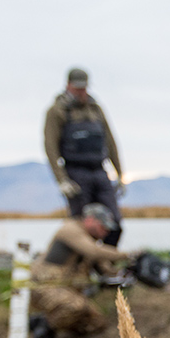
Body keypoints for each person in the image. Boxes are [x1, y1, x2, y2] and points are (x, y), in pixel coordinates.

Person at [29, 203, 133, 338]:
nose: (105, 233)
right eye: (103, 227)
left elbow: (107, 270)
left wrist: (126, 273)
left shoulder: (91, 241)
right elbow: (94, 252)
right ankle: (44, 330)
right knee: (75, 306)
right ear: (90, 220)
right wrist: (128, 255)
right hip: (45, 286)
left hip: (67, 289)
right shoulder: (70, 230)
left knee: (97, 322)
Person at [44, 67, 126, 246]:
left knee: (114, 224)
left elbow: (110, 141)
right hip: (76, 173)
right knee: (82, 225)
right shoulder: (57, 111)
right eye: (77, 87)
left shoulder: (96, 109)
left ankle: (107, 264)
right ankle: (83, 266)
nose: (81, 91)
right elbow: (50, 148)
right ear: (68, 85)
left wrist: (120, 174)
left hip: (99, 171)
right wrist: (62, 180)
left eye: (84, 87)